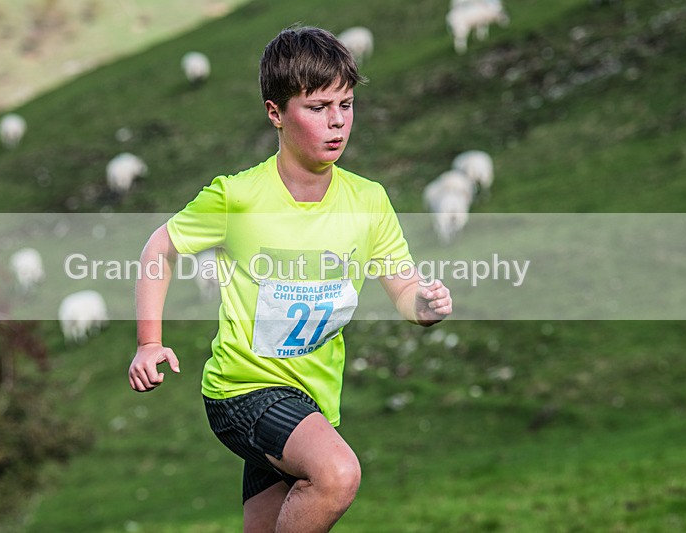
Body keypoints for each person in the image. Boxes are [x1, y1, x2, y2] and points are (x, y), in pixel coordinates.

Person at [128, 25, 452, 532]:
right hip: (243, 389)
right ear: (275, 113)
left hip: (311, 401)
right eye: (318, 107)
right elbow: (159, 248)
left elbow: (404, 290)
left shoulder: (369, 201)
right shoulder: (237, 197)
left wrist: (425, 306)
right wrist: (149, 342)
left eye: (346, 104)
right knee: (337, 474)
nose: (337, 121)